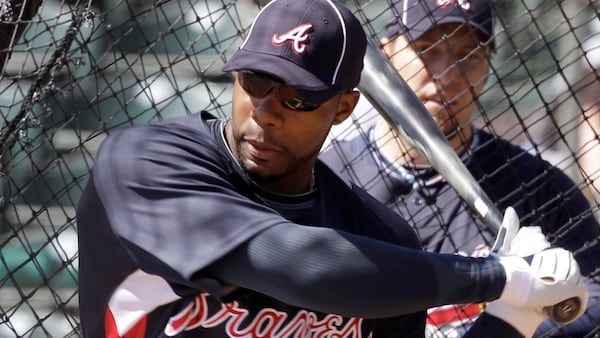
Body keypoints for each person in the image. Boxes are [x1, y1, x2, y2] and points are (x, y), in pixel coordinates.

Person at [76, 0, 588, 337]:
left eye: (299, 97)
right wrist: (494, 277)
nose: (265, 110)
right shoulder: (146, 163)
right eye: (255, 81)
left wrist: (515, 314)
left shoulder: (378, 234)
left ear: (343, 108)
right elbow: (296, 262)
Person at [320, 0, 600, 337]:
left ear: (489, 63)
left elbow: (593, 301)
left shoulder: (538, 186)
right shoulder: (325, 179)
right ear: (388, 53)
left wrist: (532, 316)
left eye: (469, 54)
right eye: (426, 49)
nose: (447, 74)